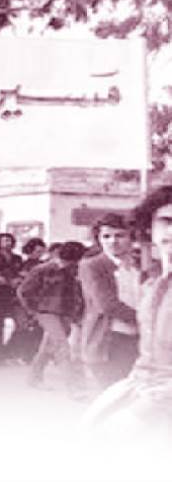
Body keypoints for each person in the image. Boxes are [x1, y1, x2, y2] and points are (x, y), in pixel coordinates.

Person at [82, 186, 172, 438]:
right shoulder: (155, 282)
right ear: (149, 228)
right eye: (166, 221)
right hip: (114, 346)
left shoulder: (145, 269)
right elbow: (107, 305)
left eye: (119, 235)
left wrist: (142, 411)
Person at [17, 241, 88, 399]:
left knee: (48, 348)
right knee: (63, 347)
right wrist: (33, 311)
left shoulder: (74, 270)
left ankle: (34, 378)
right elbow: (23, 291)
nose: (69, 265)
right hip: (46, 312)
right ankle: (74, 388)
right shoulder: (42, 269)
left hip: (66, 313)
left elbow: (76, 293)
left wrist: (76, 314)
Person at [79, 214, 141, 390]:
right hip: (109, 341)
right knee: (113, 394)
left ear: (131, 237)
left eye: (120, 235)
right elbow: (107, 305)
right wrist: (148, 320)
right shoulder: (92, 265)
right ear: (98, 239)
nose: (113, 241)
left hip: (140, 340)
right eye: (106, 236)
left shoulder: (141, 265)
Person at [0, 233, 24, 365]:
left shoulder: (17, 258)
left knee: (21, 324)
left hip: (14, 293)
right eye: (5, 240)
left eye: (10, 240)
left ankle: (9, 351)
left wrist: (18, 279)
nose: (8, 243)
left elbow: (21, 272)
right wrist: (6, 280)